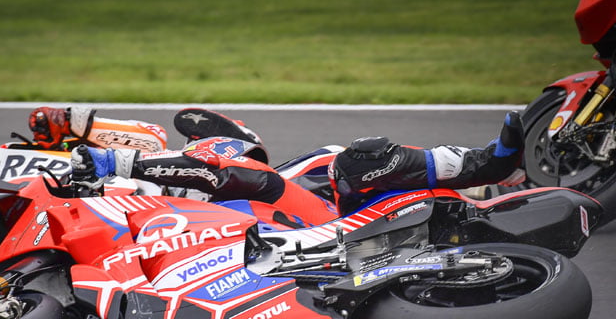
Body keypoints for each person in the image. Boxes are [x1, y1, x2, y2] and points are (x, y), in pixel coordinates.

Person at [27, 105, 525, 224]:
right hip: (172, 235)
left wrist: (104, 152)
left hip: (300, 227)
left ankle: (490, 168)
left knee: (358, 157)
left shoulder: (260, 171)